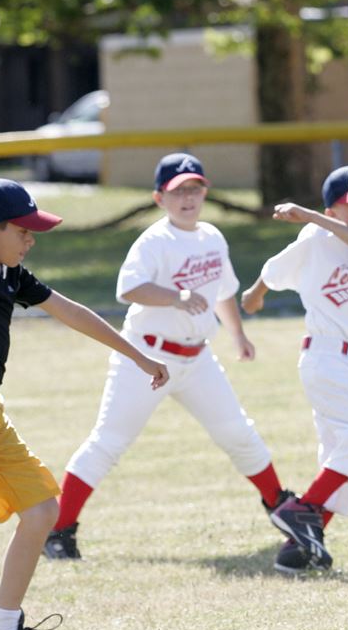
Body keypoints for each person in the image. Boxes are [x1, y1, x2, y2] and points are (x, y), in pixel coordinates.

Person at [43, 153, 291, 561]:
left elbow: (223, 291)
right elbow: (130, 288)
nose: (188, 198)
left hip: (197, 359)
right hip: (145, 356)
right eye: (178, 191)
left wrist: (238, 335)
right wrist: (176, 297)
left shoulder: (212, 236)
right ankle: (60, 530)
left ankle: (281, 506)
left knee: (237, 432)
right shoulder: (155, 241)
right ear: (160, 198)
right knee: (109, 442)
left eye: (194, 189)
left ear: (205, 192)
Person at [0, 178, 168, 630]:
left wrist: (138, 355)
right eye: (24, 231)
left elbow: (70, 312)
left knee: (41, 511)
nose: (31, 240)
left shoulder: (11, 275)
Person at [241, 166, 348, 575]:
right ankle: (302, 510)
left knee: (341, 456)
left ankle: (297, 549)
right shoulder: (314, 238)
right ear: (333, 207)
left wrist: (310, 216)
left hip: (347, 360)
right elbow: (274, 268)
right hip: (325, 357)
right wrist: (254, 296)